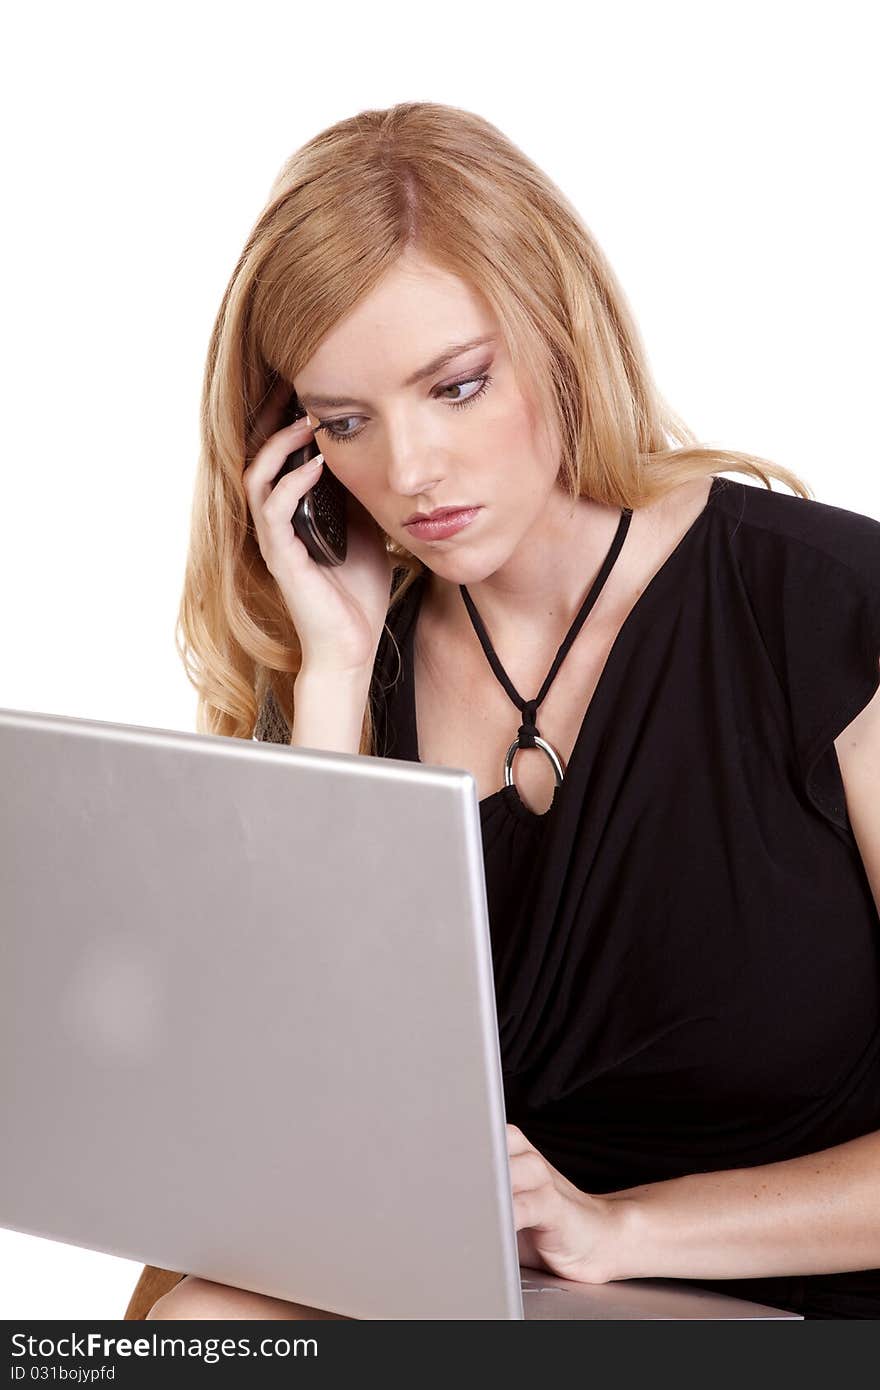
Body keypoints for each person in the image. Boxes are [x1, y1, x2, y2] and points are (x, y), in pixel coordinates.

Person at [126, 101, 880, 1322]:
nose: (409, 471)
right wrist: (326, 683)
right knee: (197, 1316)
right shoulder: (353, 675)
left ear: (560, 335)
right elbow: (296, 1137)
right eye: (345, 422)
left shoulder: (833, 613)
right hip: (510, 1307)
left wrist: (615, 1226)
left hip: (801, 1303)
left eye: (457, 386)